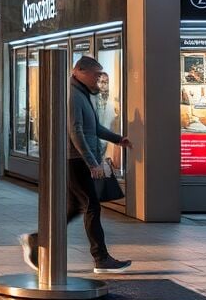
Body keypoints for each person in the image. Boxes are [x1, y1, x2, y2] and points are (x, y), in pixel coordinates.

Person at [19, 56, 134, 273]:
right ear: (79, 71)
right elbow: (76, 131)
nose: (98, 79)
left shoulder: (81, 94)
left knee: (74, 207)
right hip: (76, 160)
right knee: (92, 206)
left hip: (77, 159)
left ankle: (37, 239)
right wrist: (92, 162)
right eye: (95, 75)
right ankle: (101, 259)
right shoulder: (73, 95)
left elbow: (94, 127)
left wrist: (118, 139)